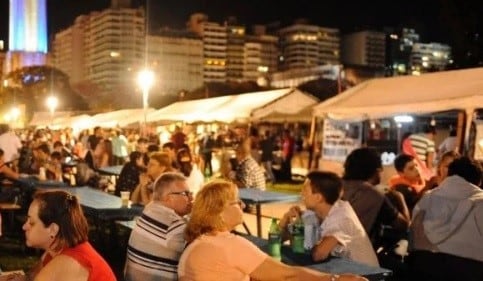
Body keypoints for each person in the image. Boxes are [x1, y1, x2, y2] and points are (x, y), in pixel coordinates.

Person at [178, 179, 367, 281]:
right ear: (219, 211)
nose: (243, 205)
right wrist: (336, 280)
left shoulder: (198, 241)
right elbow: (287, 275)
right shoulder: (228, 244)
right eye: (237, 202)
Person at [279, 171, 379, 267]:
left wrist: (299, 231)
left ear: (318, 198)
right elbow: (280, 239)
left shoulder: (343, 218)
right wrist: (285, 220)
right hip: (340, 271)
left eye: (305, 190)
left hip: (365, 275)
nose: (302, 194)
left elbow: (318, 255)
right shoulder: (312, 214)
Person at [409, 157, 483, 279]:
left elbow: (412, 239)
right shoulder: (480, 202)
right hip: (471, 272)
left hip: (424, 267)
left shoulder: (427, 198)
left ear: (449, 175)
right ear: (479, 181)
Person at [20, 190, 116, 281]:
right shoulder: (55, 250)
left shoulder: (68, 262)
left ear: (53, 229)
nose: (24, 227)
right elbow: (29, 277)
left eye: (31, 222)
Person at [125, 172, 193, 281]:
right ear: (168, 198)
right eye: (186, 193)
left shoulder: (150, 209)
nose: (191, 198)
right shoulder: (173, 224)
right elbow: (202, 248)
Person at [342, 148, 410, 247]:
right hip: (358, 253)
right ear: (376, 171)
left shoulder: (336, 186)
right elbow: (403, 225)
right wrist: (400, 198)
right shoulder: (374, 196)